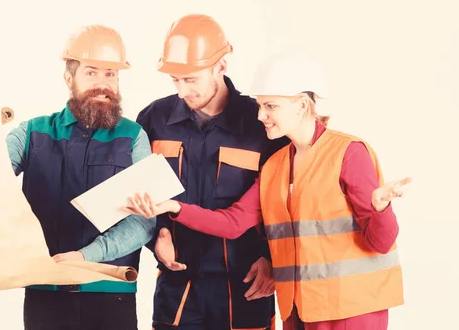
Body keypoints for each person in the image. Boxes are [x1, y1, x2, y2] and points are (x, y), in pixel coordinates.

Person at [125, 53, 408, 330]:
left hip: (351, 308)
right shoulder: (276, 165)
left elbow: (381, 242)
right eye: (260, 106)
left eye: (271, 106)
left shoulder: (347, 153)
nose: (261, 116)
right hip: (301, 307)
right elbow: (233, 223)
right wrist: (175, 208)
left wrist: (380, 208)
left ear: (301, 105)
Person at [0, 24, 155, 330]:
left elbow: (144, 222)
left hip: (110, 294)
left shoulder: (134, 137)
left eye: (110, 75)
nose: (103, 84)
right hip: (45, 295)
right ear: (69, 78)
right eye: (92, 72)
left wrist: (85, 256)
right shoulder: (32, 133)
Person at [135, 14, 289, 330]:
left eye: (190, 79)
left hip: (245, 286)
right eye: (175, 80)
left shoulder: (261, 124)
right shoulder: (153, 119)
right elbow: (135, 193)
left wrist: (274, 260)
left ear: (221, 66)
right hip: (178, 288)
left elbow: (284, 202)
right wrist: (157, 234)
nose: (181, 91)